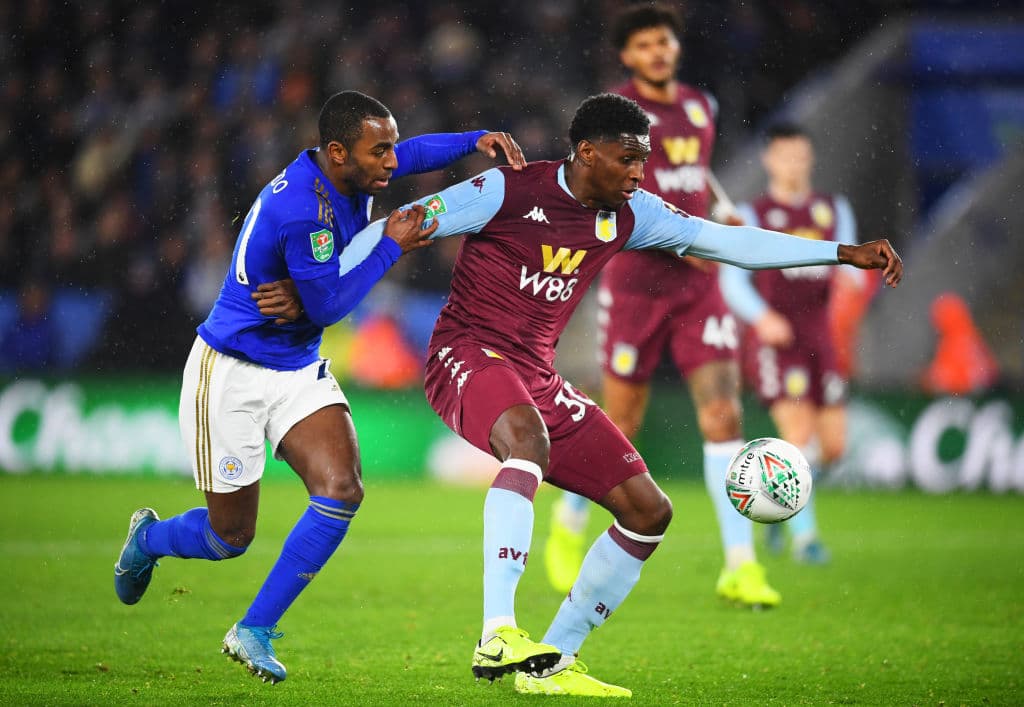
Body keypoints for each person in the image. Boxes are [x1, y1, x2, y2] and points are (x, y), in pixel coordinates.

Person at [262, 93, 902, 696]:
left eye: (644, 158)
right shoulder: (506, 190)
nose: (640, 171)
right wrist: (315, 286)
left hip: (536, 375)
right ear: (587, 152)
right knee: (526, 442)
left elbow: (725, 241)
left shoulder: (634, 214)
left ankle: (554, 661)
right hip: (466, 353)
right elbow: (399, 225)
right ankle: (496, 633)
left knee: (648, 511)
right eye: (628, 158)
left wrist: (841, 253)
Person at [112, 89, 526, 684]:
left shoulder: (351, 172)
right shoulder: (304, 210)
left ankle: (253, 629)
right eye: (379, 152)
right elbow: (331, 306)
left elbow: (411, 157)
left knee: (342, 489)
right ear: (337, 152)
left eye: (389, 148)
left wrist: (473, 142)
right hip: (231, 372)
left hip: (297, 367)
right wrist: (390, 245)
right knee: (230, 537)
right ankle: (149, 538)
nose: (391, 162)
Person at [541, 3, 781, 609]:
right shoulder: (614, 114)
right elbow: (607, 189)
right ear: (627, 56)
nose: (658, 52)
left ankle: (741, 566)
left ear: (677, 47)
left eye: (665, 42)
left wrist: (721, 210)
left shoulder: (701, 106)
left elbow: (694, 173)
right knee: (621, 424)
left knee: (722, 414)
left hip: (697, 289)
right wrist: (681, 240)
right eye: (645, 44)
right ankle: (568, 523)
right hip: (635, 285)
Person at [720, 122, 865, 563]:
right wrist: (761, 316)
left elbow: (853, 269)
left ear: (811, 158)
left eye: (801, 156)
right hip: (778, 341)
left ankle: (773, 502)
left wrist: (853, 286)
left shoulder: (833, 210)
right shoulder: (756, 214)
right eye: (786, 156)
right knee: (798, 436)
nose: (794, 165)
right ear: (769, 160)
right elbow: (731, 280)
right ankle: (807, 539)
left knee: (833, 447)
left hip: (822, 337)